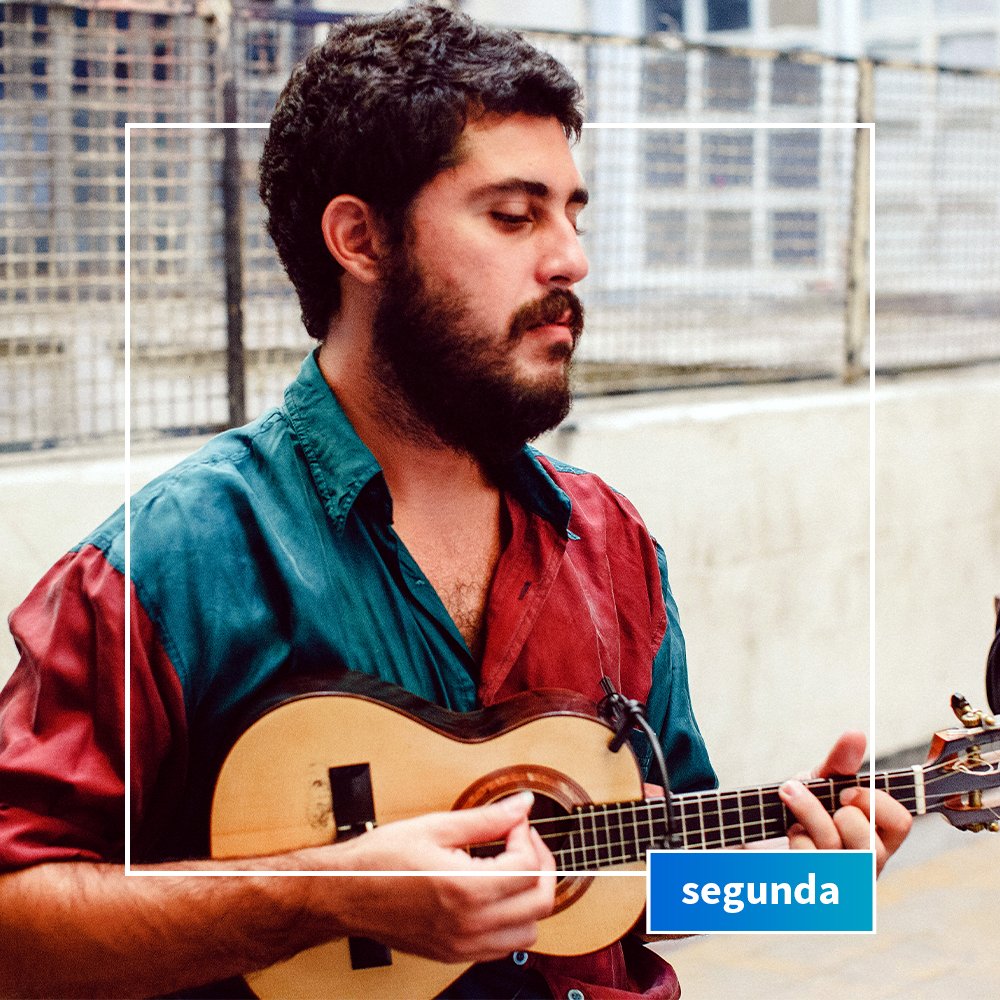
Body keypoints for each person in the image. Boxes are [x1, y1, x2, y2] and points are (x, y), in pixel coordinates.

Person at [0, 5, 911, 998]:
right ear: (359, 239)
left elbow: (634, 882)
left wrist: (804, 880)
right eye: (514, 216)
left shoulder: (609, 538)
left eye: (575, 213)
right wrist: (323, 895)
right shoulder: (171, 560)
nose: (571, 259)